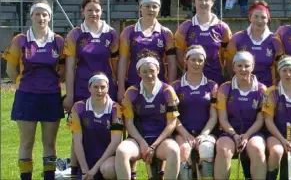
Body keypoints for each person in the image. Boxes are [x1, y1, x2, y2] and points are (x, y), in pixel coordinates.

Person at [2, 0, 66, 180]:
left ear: (50, 17)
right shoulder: (20, 40)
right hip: (27, 97)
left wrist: (51, 82)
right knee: (27, 142)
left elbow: (62, 69)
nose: (41, 18)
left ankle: (49, 177)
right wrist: (24, 84)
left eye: (44, 14)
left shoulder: (58, 41)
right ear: (31, 17)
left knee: (49, 143)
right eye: (37, 14)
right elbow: (10, 69)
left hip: (51, 97)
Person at [114, 50, 181, 180]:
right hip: (138, 141)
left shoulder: (168, 91)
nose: (149, 75)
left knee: (173, 150)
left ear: (158, 70)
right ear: (138, 72)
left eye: (152, 71)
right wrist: (143, 144)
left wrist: (154, 146)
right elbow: (129, 123)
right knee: (122, 151)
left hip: (161, 141)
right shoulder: (131, 93)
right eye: (144, 72)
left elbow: (171, 123)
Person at [215, 51, 268, 180]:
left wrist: (247, 136)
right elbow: (223, 118)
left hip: (253, 133)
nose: (243, 69)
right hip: (229, 132)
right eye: (239, 66)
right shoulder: (224, 88)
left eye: (247, 66)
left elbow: (260, 119)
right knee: (223, 150)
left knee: (257, 149)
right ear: (233, 67)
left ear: (253, 67)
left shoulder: (262, 89)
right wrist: (234, 135)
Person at [118, 0, 177, 102]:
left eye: (155, 6)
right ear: (140, 7)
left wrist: (171, 88)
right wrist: (121, 88)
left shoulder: (166, 33)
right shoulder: (128, 32)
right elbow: (123, 61)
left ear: (159, 9)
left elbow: (172, 65)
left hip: (158, 86)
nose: (151, 9)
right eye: (147, 6)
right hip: (133, 84)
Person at [170, 45, 219, 179]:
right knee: (184, 150)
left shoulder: (212, 86)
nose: (196, 63)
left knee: (206, 148)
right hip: (182, 132)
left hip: (207, 132)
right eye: (193, 59)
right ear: (186, 61)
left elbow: (214, 115)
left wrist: (203, 135)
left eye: (200, 60)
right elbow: (173, 116)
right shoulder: (175, 86)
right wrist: (186, 135)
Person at [64, 0, 119, 109]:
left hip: (105, 87)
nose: (93, 13)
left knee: (108, 123)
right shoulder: (74, 34)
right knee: (81, 123)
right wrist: (69, 95)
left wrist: (119, 87)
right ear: (82, 11)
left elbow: (116, 65)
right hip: (82, 86)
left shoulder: (111, 33)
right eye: (89, 10)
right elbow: (69, 68)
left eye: (97, 10)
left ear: (101, 11)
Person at [69, 73, 123, 180]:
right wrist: (85, 171)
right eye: (95, 87)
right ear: (89, 88)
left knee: (109, 170)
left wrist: (94, 170)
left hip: (107, 160)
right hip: (86, 162)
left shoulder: (116, 109)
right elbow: (77, 141)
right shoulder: (78, 107)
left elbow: (116, 141)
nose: (99, 91)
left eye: (103, 87)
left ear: (108, 88)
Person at [175, 0, 232, 85]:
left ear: (212, 2)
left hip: (216, 78)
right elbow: (179, 55)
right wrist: (191, 69)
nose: (203, 3)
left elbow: (227, 56)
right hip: (192, 80)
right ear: (194, 2)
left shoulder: (222, 27)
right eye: (200, 0)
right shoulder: (185, 27)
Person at [225, 0, 283, 87]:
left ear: (268, 19)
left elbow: (280, 68)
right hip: (242, 88)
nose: (259, 20)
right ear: (250, 17)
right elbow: (229, 65)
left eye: (263, 17)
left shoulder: (275, 40)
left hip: (267, 89)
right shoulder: (237, 38)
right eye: (256, 16)